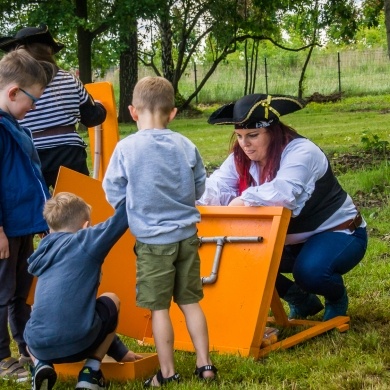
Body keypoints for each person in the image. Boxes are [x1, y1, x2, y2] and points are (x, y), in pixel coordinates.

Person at [197, 93, 368, 321]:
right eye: (239, 136)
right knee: (233, 256)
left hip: (338, 232)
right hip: (286, 241)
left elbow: (284, 194)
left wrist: (240, 201)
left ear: (273, 131)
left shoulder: (302, 152)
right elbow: (215, 187)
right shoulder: (242, 156)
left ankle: (336, 297)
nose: (244, 144)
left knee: (309, 272)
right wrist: (189, 201)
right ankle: (301, 299)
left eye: (253, 135)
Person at [102, 76, 217, 387]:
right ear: (173, 113)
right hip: (187, 237)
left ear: (133, 111)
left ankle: (167, 373)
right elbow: (199, 187)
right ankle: (205, 365)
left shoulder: (126, 148)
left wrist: (133, 207)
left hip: (153, 243)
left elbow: (112, 190)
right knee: (191, 302)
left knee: (159, 309)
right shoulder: (186, 144)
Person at [24, 192, 143, 390]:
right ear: (86, 226)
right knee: (110, 299)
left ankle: (41, 366)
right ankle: (90, 374)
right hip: (79, 342)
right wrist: (137, 188)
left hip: (39, 346)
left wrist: (120, 352)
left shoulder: (42, 252)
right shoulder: (85, 240)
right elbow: (120, 220)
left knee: (37, 316)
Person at [0, 49, 55, 382]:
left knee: (22, 290)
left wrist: (43, 220)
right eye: (32, 100)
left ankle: (25, 347)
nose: (34, 108)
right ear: (13, 92)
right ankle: (2, 358)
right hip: (6, 230)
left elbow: (31, 178)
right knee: (2, 292)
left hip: (23, 226)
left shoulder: (14, 124)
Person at [0, 24, 107, 189]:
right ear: (48, 51)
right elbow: (92, 117)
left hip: (29, 151)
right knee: (78, 203)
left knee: (38, 203)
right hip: (68, 153)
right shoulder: (68, 79)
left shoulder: (10, 86)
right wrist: (101, 108)